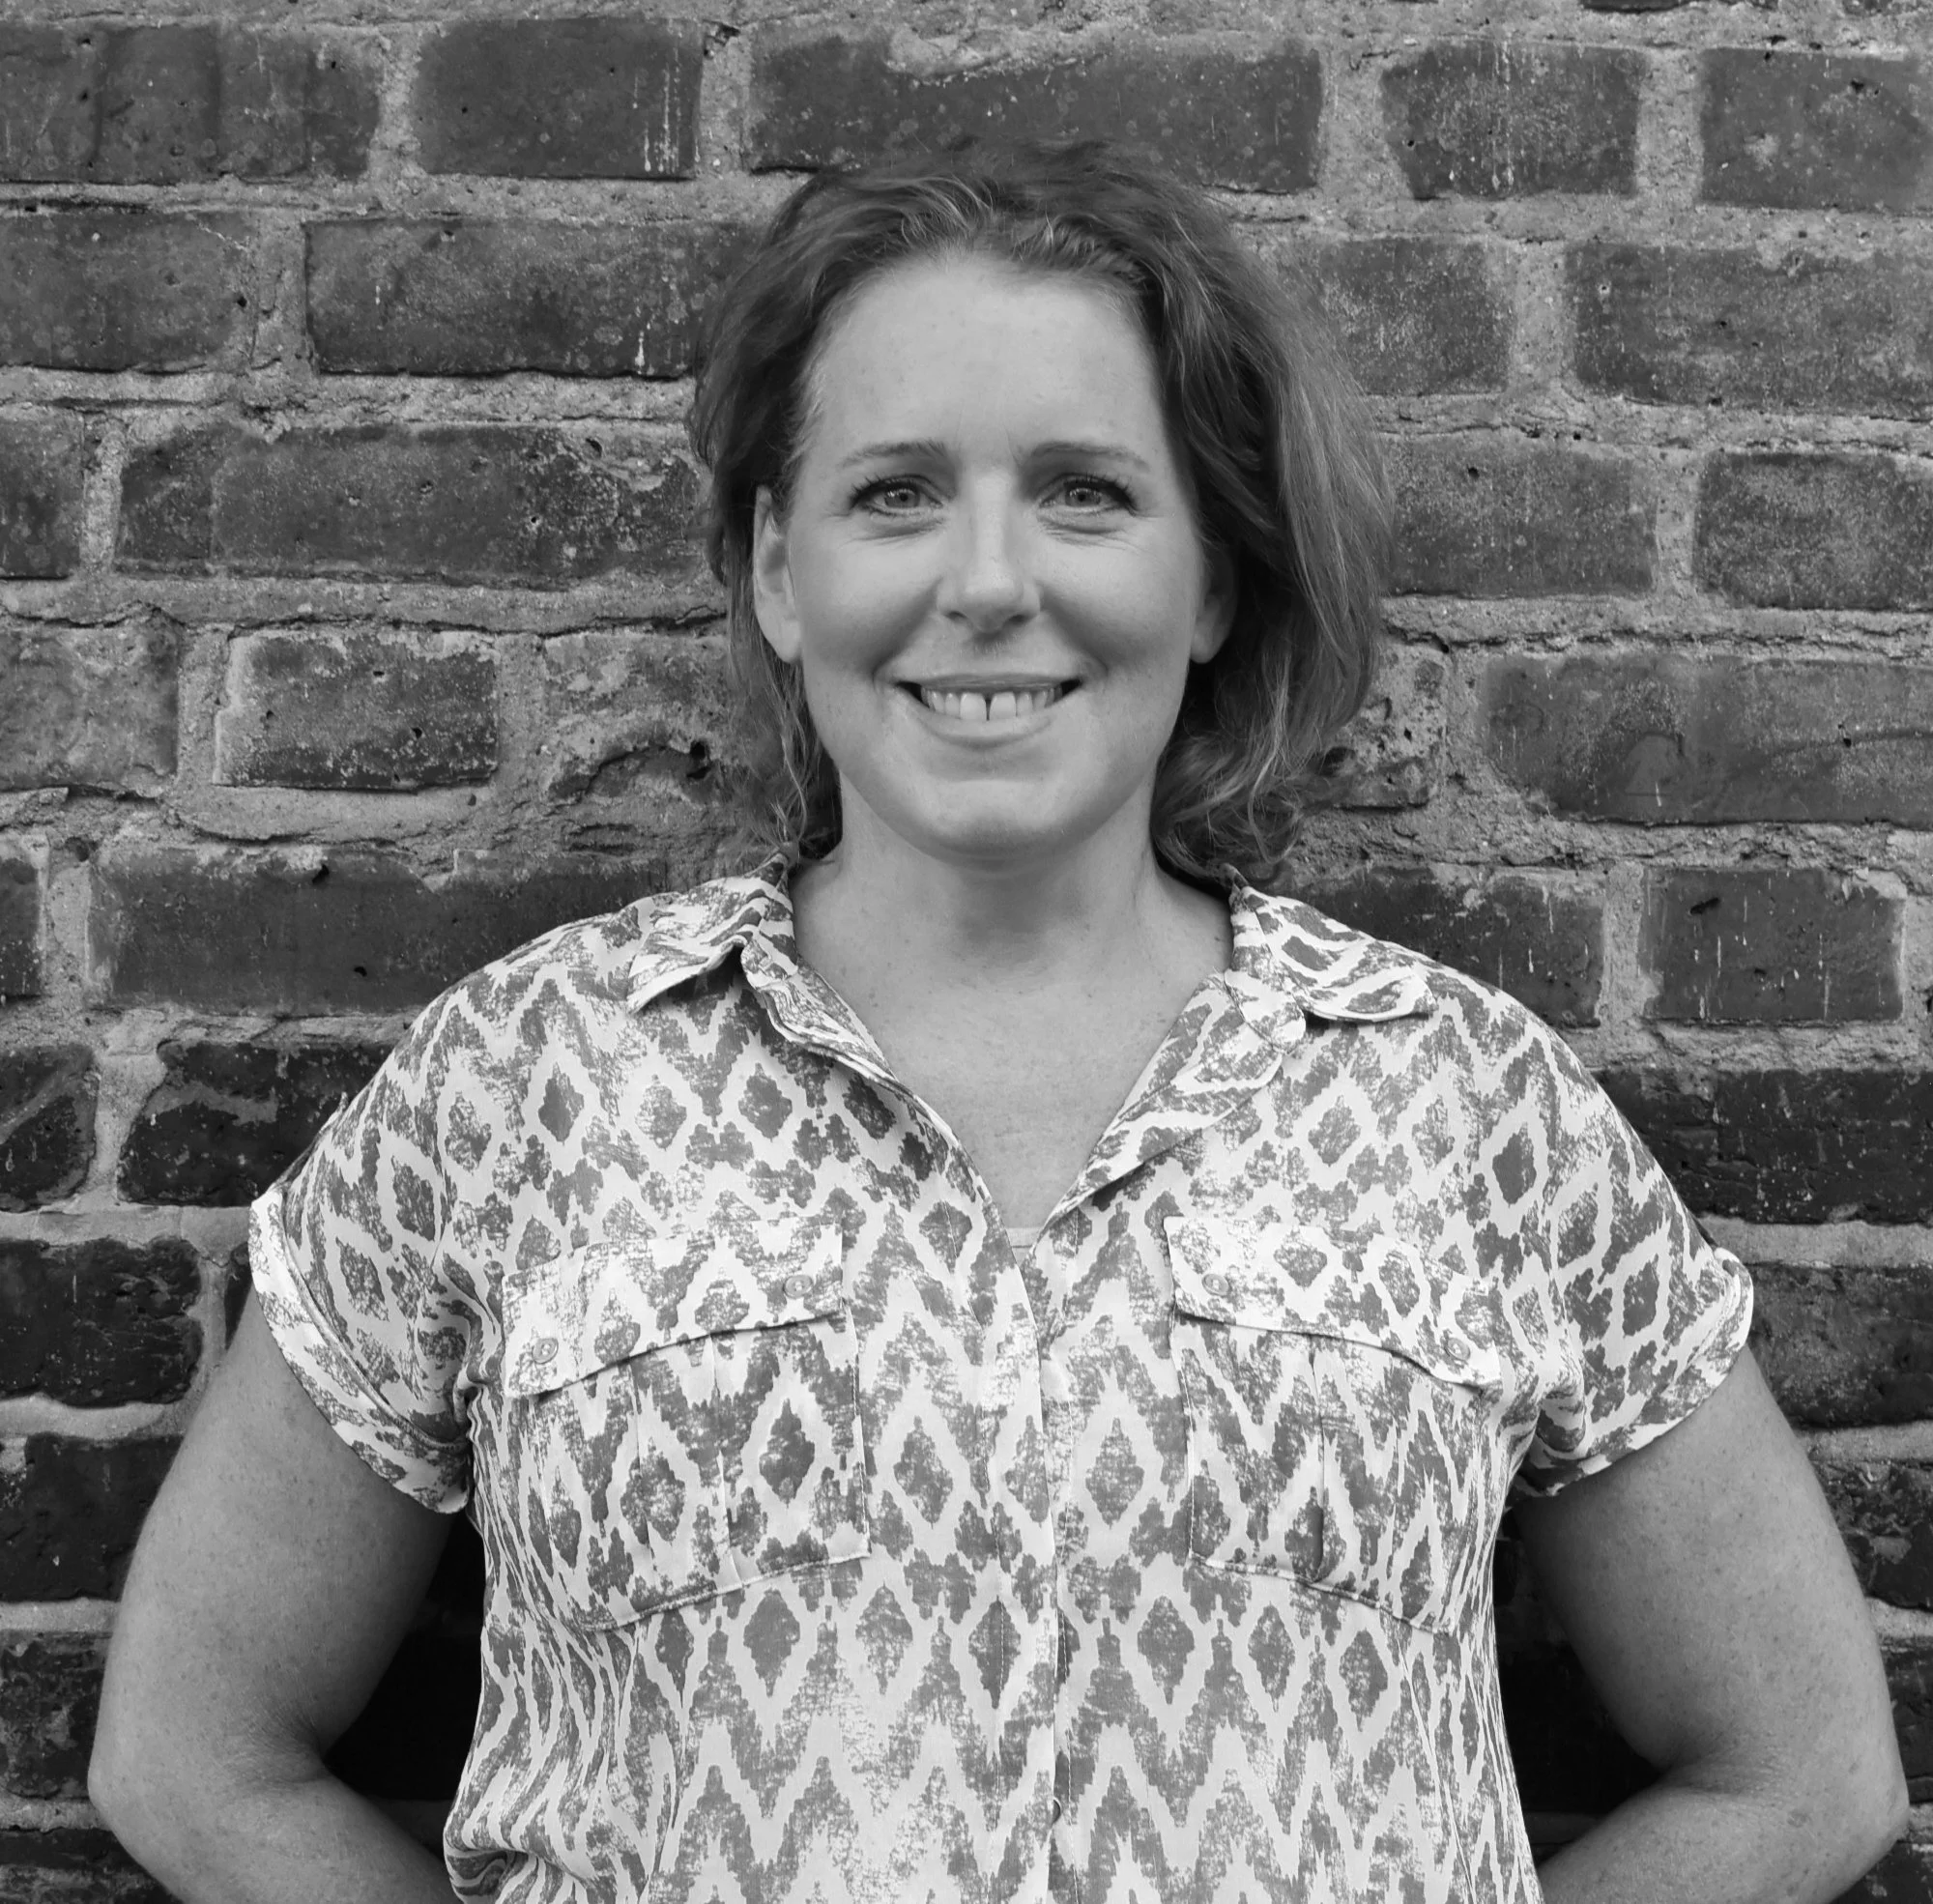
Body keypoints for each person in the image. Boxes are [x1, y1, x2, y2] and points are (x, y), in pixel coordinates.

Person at [91, 142, 1904, 1903]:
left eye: (1084, 492)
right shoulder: (529, 1076)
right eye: (894, 493)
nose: (984, 580)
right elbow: (190, 1749)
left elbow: (1804, 1771)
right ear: (780, 570)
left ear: (1213, 577)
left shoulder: (1464, 1102)